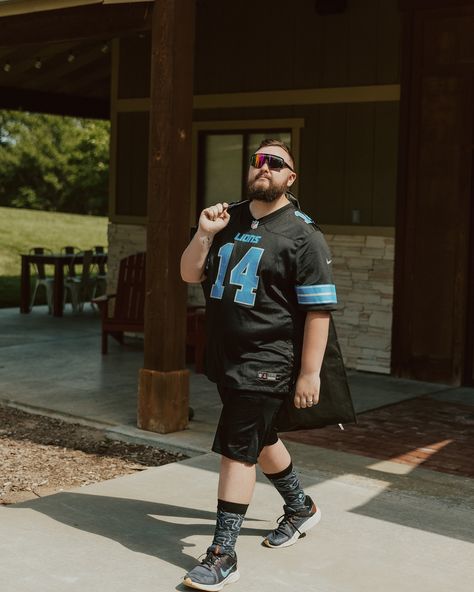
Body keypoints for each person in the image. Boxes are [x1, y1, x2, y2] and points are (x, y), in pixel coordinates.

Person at [180, 139, 339, 591]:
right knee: (258, 436)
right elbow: (189, 274)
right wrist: (204, 233)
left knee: (236, 447)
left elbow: (318, 310)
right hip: (226, 355)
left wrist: (309, 373)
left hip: (268, 357)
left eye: (276, 163)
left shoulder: (304, 235)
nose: (264, 167)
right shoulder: (227, 219)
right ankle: (301, 508)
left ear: (291, 178)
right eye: (258, 161)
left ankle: (221, 554)